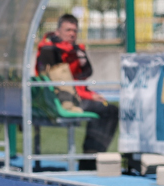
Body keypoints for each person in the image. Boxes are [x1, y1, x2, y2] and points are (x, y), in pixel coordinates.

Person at [36, 14, 119, 169]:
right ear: (58, 31)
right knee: (107, 110)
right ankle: (89, 159)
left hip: (76, 95)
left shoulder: (76, 50)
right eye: (68, 30)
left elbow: (85, 74)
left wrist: (81, 58)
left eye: (74, 31)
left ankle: (92, 156)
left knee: (110, 109)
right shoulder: (49, 50)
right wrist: (90, 96)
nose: (72, 34)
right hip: (61, 100)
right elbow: (60, 84)